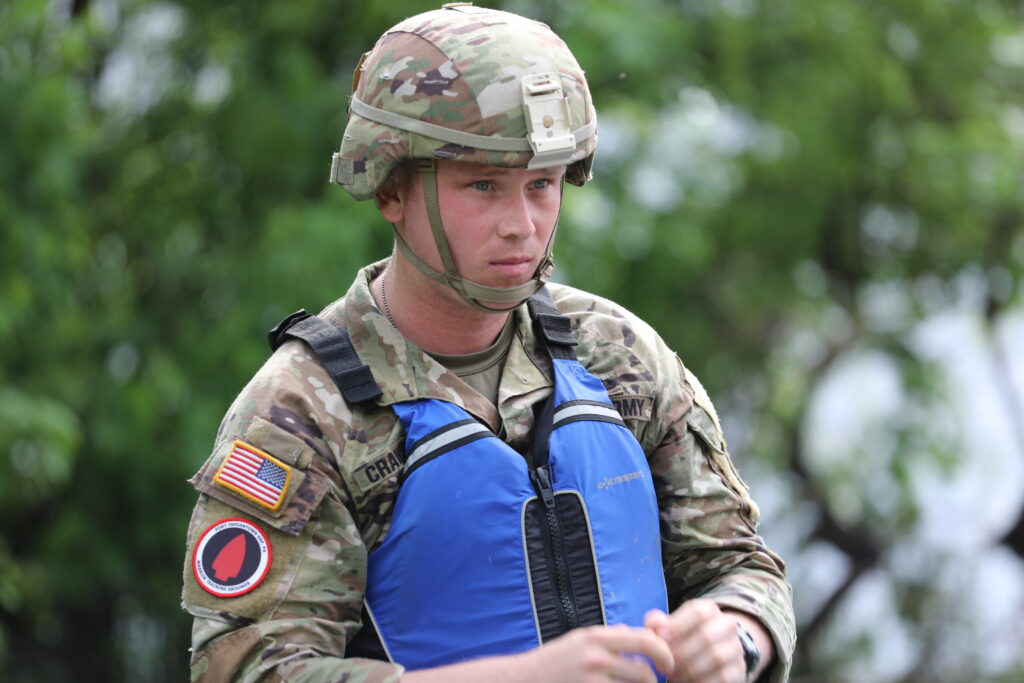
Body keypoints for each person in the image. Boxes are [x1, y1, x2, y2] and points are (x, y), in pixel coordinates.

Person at [181, 4, 795, 682]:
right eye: (483, 186)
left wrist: (735, 638)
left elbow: (741, 565)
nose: (521, 225)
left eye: (542, 185)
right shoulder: (302, 413)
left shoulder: (616, 355)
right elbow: (251, 668)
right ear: (391, 190)